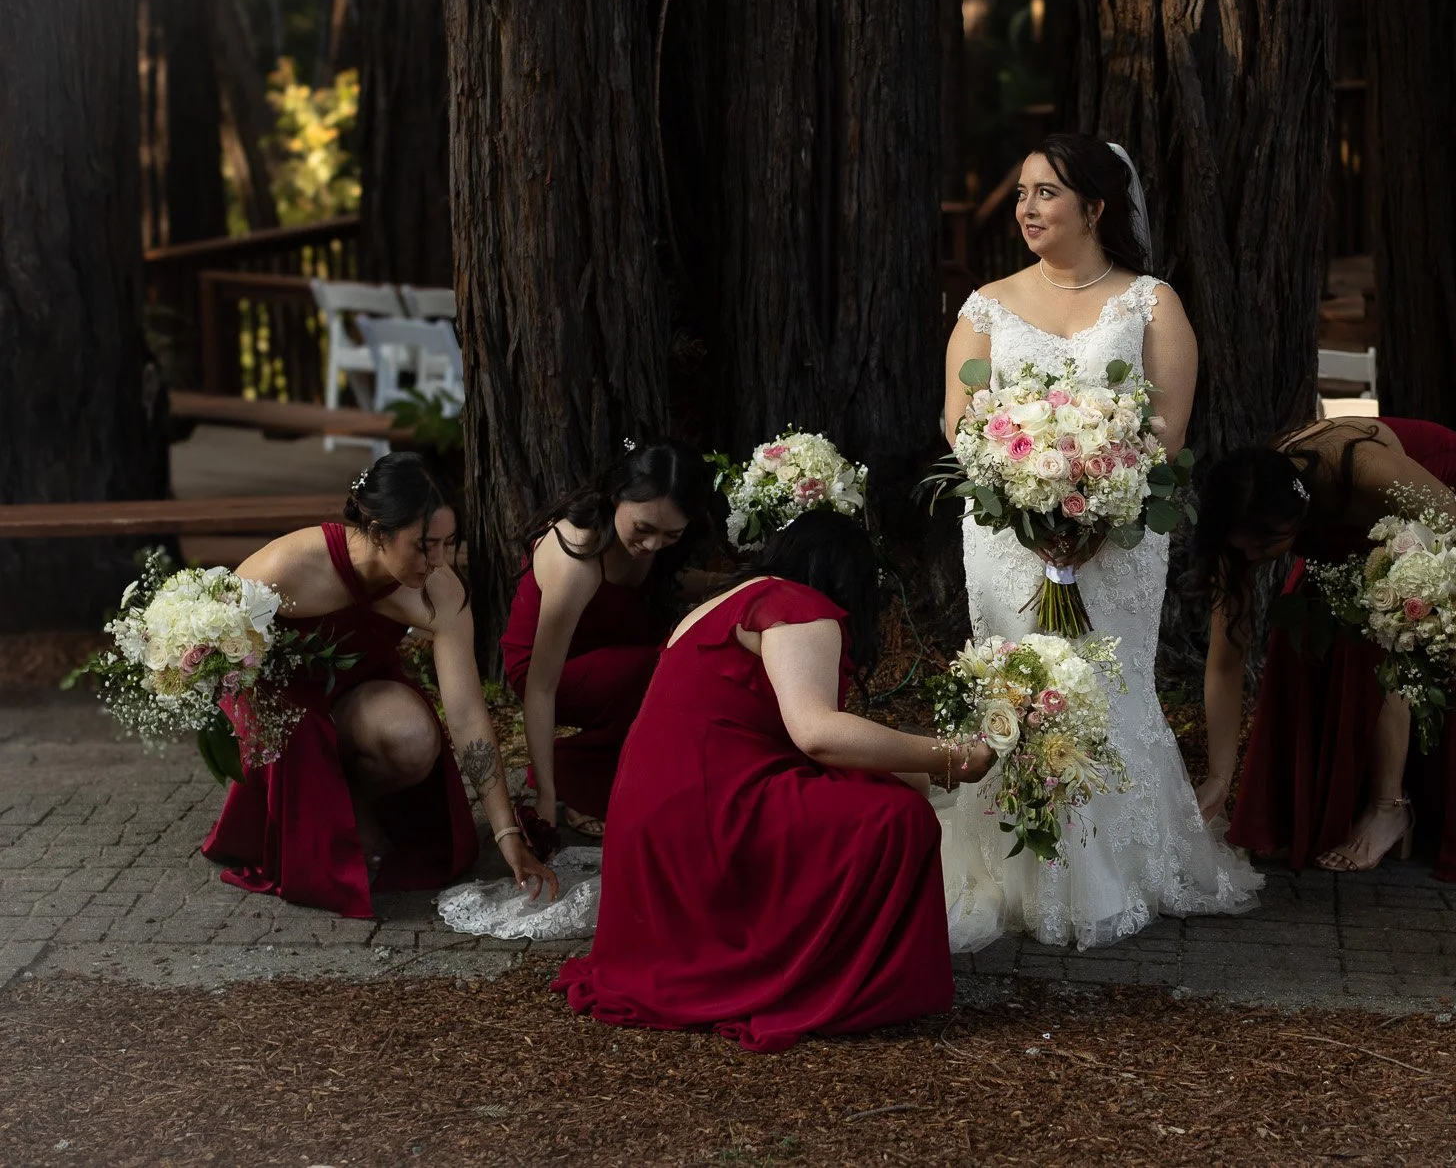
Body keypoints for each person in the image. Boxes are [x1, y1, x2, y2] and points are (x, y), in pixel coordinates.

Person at [933, 132, 1261, 951]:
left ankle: (1119, 866)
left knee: (1104, 681)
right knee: (1018, 680)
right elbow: (962, 425)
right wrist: (1030, 501)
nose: (1027, 209)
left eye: (1046, 193)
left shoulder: (1151, 302)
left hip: (1117, 535)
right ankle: (1010, 866)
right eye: (1021, 194)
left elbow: (1166, 429)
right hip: (1008, 534)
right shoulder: (986, 305)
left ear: (1096, 208)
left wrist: (1096, 506)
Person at [552, 511, 993, 1052]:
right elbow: (816, 734)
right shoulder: (797, 608)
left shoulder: (727, 602)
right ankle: (826, 979)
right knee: (900, 819)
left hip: (656, 814)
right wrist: (945, 757)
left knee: (883, 795)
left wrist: (916, 762)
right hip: (712, 812)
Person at [202, 453, 557, 918]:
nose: (438, 561)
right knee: (301, 734)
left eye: (449, 544)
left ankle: (353, 803)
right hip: (283, 704)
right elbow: (212, 650)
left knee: (413, 737)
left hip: (358, 690)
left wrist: (507, 834)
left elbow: (468, 713)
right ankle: (324, 822)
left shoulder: (442, 592)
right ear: (376, 532)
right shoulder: (288, 567)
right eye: (424, 546)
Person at [1193, 418, 1456, 884]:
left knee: (1389, 626)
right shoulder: (1243, 517)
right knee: (1312, 629)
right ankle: (1335, 805)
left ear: (1295, 518)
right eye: (1242, 547)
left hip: (1443, 504)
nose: (1251, 558)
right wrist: (1218, 776)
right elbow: (1226, 660)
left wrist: (1430, 603)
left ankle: (1390, 809)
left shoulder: (1361, 466)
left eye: (1264, 547)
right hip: (1352, 524)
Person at [501, 438, 714, 840]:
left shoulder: (653, 540)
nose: (652, 545)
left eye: (671, 535)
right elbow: (540, 687)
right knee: (667, 667)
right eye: (644, 529)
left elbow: (666, 583)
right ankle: (571, 778)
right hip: (548, 669)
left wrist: (730, 585)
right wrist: (546, 797)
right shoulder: (577, 559)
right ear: (616, 496)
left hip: (613, 648)